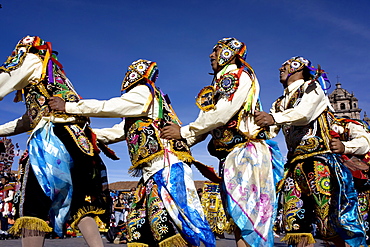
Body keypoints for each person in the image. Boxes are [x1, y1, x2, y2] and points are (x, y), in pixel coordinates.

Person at [49, 59, 217, 247]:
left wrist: (70, 107)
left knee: (181, 220)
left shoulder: (143, 92)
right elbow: (116, 132)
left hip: (168, 166)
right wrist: (79, 133)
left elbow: (110, 106)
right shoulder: (140, 108)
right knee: (141, 224)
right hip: (151, 173)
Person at [160, 37, 284, 247]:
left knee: (249, 217)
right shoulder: (219, 83)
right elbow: (206, 123)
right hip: (231, 155)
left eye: (216, 51)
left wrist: (182, 132)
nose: (211, 56)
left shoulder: (237, 76)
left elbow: (221, 115)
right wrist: (184, 139)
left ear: (228, 53)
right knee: (239, 217)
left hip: (245, 152)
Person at [0, 36, 115, 247]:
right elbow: (29, 120)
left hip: (53, 140)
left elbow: (4, 81)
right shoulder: (56, 76)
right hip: (79, 144)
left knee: (33, 203)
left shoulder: (32, 61)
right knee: (79, 205)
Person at [254, 56, 367, 246]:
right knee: (295, 223)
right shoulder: (279, 103)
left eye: (285, 65)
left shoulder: (312, 88)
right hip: (293, 167)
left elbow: (304, 113)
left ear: (298, 68)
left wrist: (345, 146)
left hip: (319, 164)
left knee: (328, 221)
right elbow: (270, 132)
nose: (280, 68)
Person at [329, 116, 370, 245]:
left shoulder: (348, 124)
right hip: (338, 187)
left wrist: (344, 147)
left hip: (361, 186)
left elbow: (364, 143)